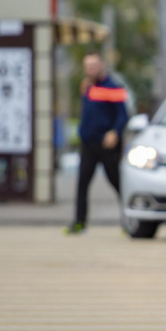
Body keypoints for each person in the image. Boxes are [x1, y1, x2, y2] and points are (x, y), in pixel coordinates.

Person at [64, 53, 129, 234]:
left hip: (107, 145)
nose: (91, 69)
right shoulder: (87, 87)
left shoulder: (114, 87)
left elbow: (123, 115)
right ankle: (79, 222)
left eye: (94, 65)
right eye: (88, 66)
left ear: (101, 66)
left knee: (117, 183)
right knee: (82, 184)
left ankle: (130, 219)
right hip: (88, 144)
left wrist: (115, 132)